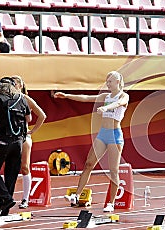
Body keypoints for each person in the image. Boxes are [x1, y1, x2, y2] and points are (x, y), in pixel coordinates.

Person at [54, 71, 129, 213]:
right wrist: (67, 96)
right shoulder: (105, 96)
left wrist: (106, 107)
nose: (108, 83)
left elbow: (119, 103)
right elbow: (87, 98)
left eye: (110, 81)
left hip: (114, 135)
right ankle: (76, 195)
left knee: (113, 171)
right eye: (107, 81)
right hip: (103, 134)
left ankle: (111, 203)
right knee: (89, 164)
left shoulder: (123, 95)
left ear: (118, 82)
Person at [0, 77, 31, 216]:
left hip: (2, 142)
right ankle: (6, 207)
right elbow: (29, 119)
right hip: (18, 142)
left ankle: (6, 199)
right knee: (11, 173)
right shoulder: (22, 99)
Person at [11, 75, 46, 209]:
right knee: (10, 167)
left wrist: (32, 131)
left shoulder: (25, 99)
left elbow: (42, 115)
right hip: (10, 137)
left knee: (24, 166)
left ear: (20, 85)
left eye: (15, 83)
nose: (13, 86)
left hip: (23, 136)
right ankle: (7, 198)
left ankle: (25, 198)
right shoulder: (6, 99)